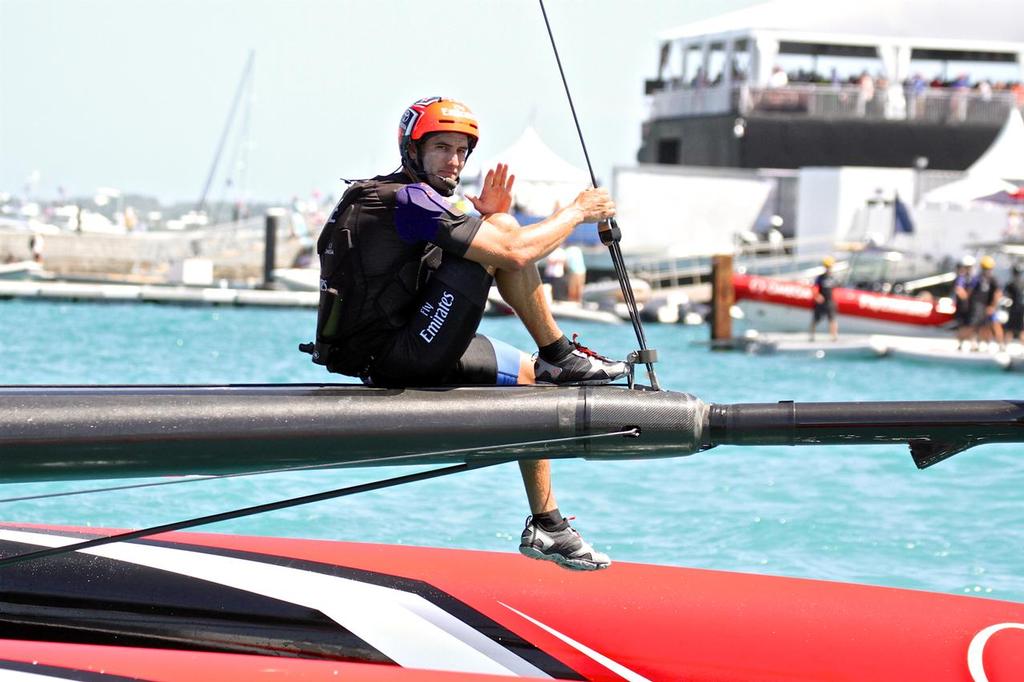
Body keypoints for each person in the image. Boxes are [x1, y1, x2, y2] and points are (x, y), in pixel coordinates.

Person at [304, 97, 628, 570]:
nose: (454, 161)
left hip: (401, 342)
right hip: (399, 353)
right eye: (441, 148)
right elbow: (514, 252)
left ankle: (548, 525)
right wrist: (578, 211)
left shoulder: (409, 197)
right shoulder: (404, 199)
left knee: (530, 380)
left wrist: (479, 217)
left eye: (461, 151)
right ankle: (559, 352)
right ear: (411, 150)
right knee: (505, 232)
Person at [966, 255, 1003, 351]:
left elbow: (998, 293)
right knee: (977, 325)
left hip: (989, 306)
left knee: (993, 325)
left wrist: (992, 306)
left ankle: (999, 345)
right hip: (979, 306)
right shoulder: (977, 278)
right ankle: (976, 343)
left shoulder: (993, 279)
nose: (986, 271)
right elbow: (970, 291)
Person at [810, 256, 838, 341]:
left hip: (830, 301)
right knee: (816, 319)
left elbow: (837, 289)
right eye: (827, 266)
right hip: (821, 302)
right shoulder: (820, 278)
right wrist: (817, 296)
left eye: (829, 267)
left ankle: (834, 337)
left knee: (832, 319)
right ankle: (812, 336)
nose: (828, 268)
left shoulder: (834, 278)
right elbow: (814, 287)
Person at [953, 256, 975, 351]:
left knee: (970, 325)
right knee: (962, 325)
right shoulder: (961, 278)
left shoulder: (972, 278)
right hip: (962, 306)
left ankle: (971, 343)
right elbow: (959, 290)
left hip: (969, 306)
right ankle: (961, 344)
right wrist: (967, 298)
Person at [1003, 264, 1024, 345]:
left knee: (1010, 329)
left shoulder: (1010, 284)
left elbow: (1005, 297)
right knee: (1020, 329)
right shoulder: (1021, 284)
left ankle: (1006, 345)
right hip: (1019, 310)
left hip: (1014, 310)